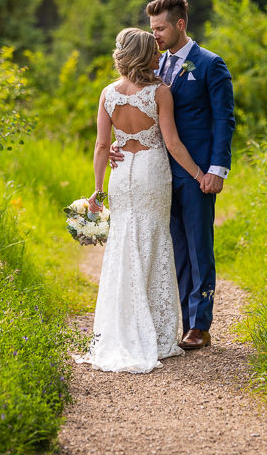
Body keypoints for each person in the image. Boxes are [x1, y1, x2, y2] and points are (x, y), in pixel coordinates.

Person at [79, 27, 207, 373]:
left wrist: (97, 187)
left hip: (121, 175)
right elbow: (173, 143)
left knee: (124, 243)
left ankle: (121, 327)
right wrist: (198, 175)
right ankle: (156, 332)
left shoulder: (108, 94)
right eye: (152, 52)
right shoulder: (159, 92)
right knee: (153, 240)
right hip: (151, 170)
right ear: (142, 56)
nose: (157, 56)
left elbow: (102, 146)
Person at [111, 0, 235, 350]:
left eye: (161, 28)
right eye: (152, 29)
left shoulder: (210, 65)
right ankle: (178, 322)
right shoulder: (154, 65)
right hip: (158, 175)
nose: (156, 36)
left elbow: (224, 120)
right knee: (173, 247)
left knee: (199, 246)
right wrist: (123, 146)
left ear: (180, 24)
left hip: (197, 173)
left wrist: (216, 169)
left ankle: (199, 324)